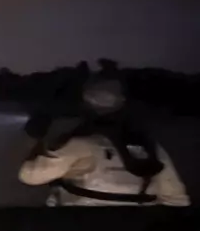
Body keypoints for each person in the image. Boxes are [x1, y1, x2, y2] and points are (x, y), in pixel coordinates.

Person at [19, 77, 190, 207]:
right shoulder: (150, 145)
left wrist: (36, 141)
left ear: (84, 107)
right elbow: (176, 198)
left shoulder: (79, 145)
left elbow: (29, 176)